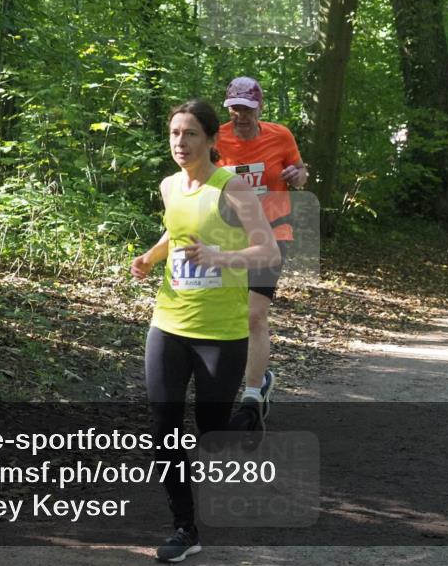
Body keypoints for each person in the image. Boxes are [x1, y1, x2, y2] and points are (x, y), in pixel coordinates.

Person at [130, 99, 280, 562]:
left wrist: (223, 259)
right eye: (175, 133)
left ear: (212, 140)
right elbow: (176, 234)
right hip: (169, 323)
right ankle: (184, 528)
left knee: (213, 432)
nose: (180, 142)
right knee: (163, 430)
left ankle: (252, 410)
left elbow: (268, 251)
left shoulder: (231, 188)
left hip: (222, 330)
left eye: (191, 133)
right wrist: (150, 258)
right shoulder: (169, 186)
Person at [215, 76, 307, 433]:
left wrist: (298, 174)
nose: (240, 115)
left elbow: (300, 173)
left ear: (260, 109)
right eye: (235, 108)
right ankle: (252, 379)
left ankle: (252, 396)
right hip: (227, 236)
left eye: (247, 109)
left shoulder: (280, 136)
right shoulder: (216, 137)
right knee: (229, 315)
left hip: (273, 234)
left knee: (255, 314)